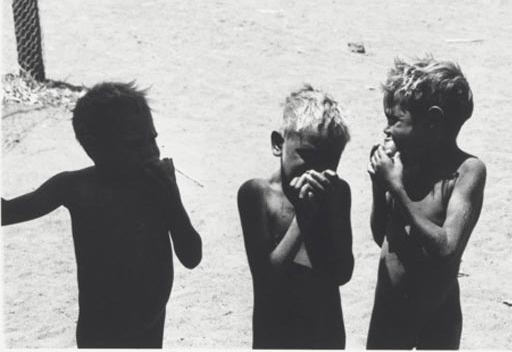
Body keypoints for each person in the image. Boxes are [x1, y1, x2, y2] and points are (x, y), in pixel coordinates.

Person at [1, 82, 202, 348]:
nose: (150, 152)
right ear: (97, 147)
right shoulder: (76, 188)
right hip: (100, 333)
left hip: (151, 329)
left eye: (152, 139)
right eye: (134, 145)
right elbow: (9, 212)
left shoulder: (156, 190)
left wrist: (173, 201)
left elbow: (191, 256)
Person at [366, 56, 486, 350]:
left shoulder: (467, 172)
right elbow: (382, 235)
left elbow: (446, 247)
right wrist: (378, 186)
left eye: (395, 120)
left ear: (432, 122)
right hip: (390, 310)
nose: (386, 130)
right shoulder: (400, 163)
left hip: (438, 314)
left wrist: (396, 190)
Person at [237, 85, 354, 349]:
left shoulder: (338, 193)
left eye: (330, 159)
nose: (318, 169)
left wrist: (326, 213)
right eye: (309, 156)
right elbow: (266, 280)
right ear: (279, 144)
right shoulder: (258, 195)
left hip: (326, 331)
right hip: (276, 333)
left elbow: (342, 272)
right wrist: (303, 218)